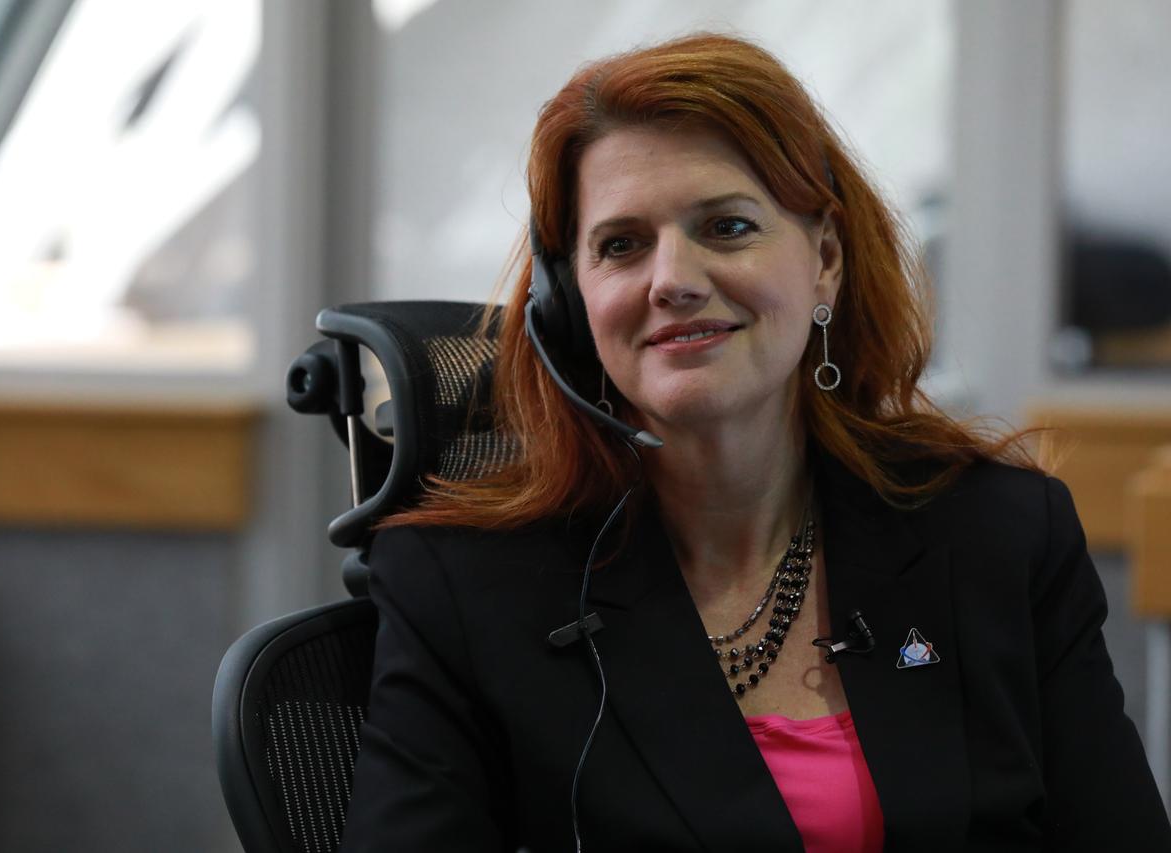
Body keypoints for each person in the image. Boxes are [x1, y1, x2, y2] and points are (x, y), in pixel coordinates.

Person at [340, 34, 1171, 852]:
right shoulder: (463, 585)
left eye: (727, 226)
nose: (673, 279)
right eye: (622, 244)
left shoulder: (1003, 536)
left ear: (825, 259)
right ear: (570, 302)